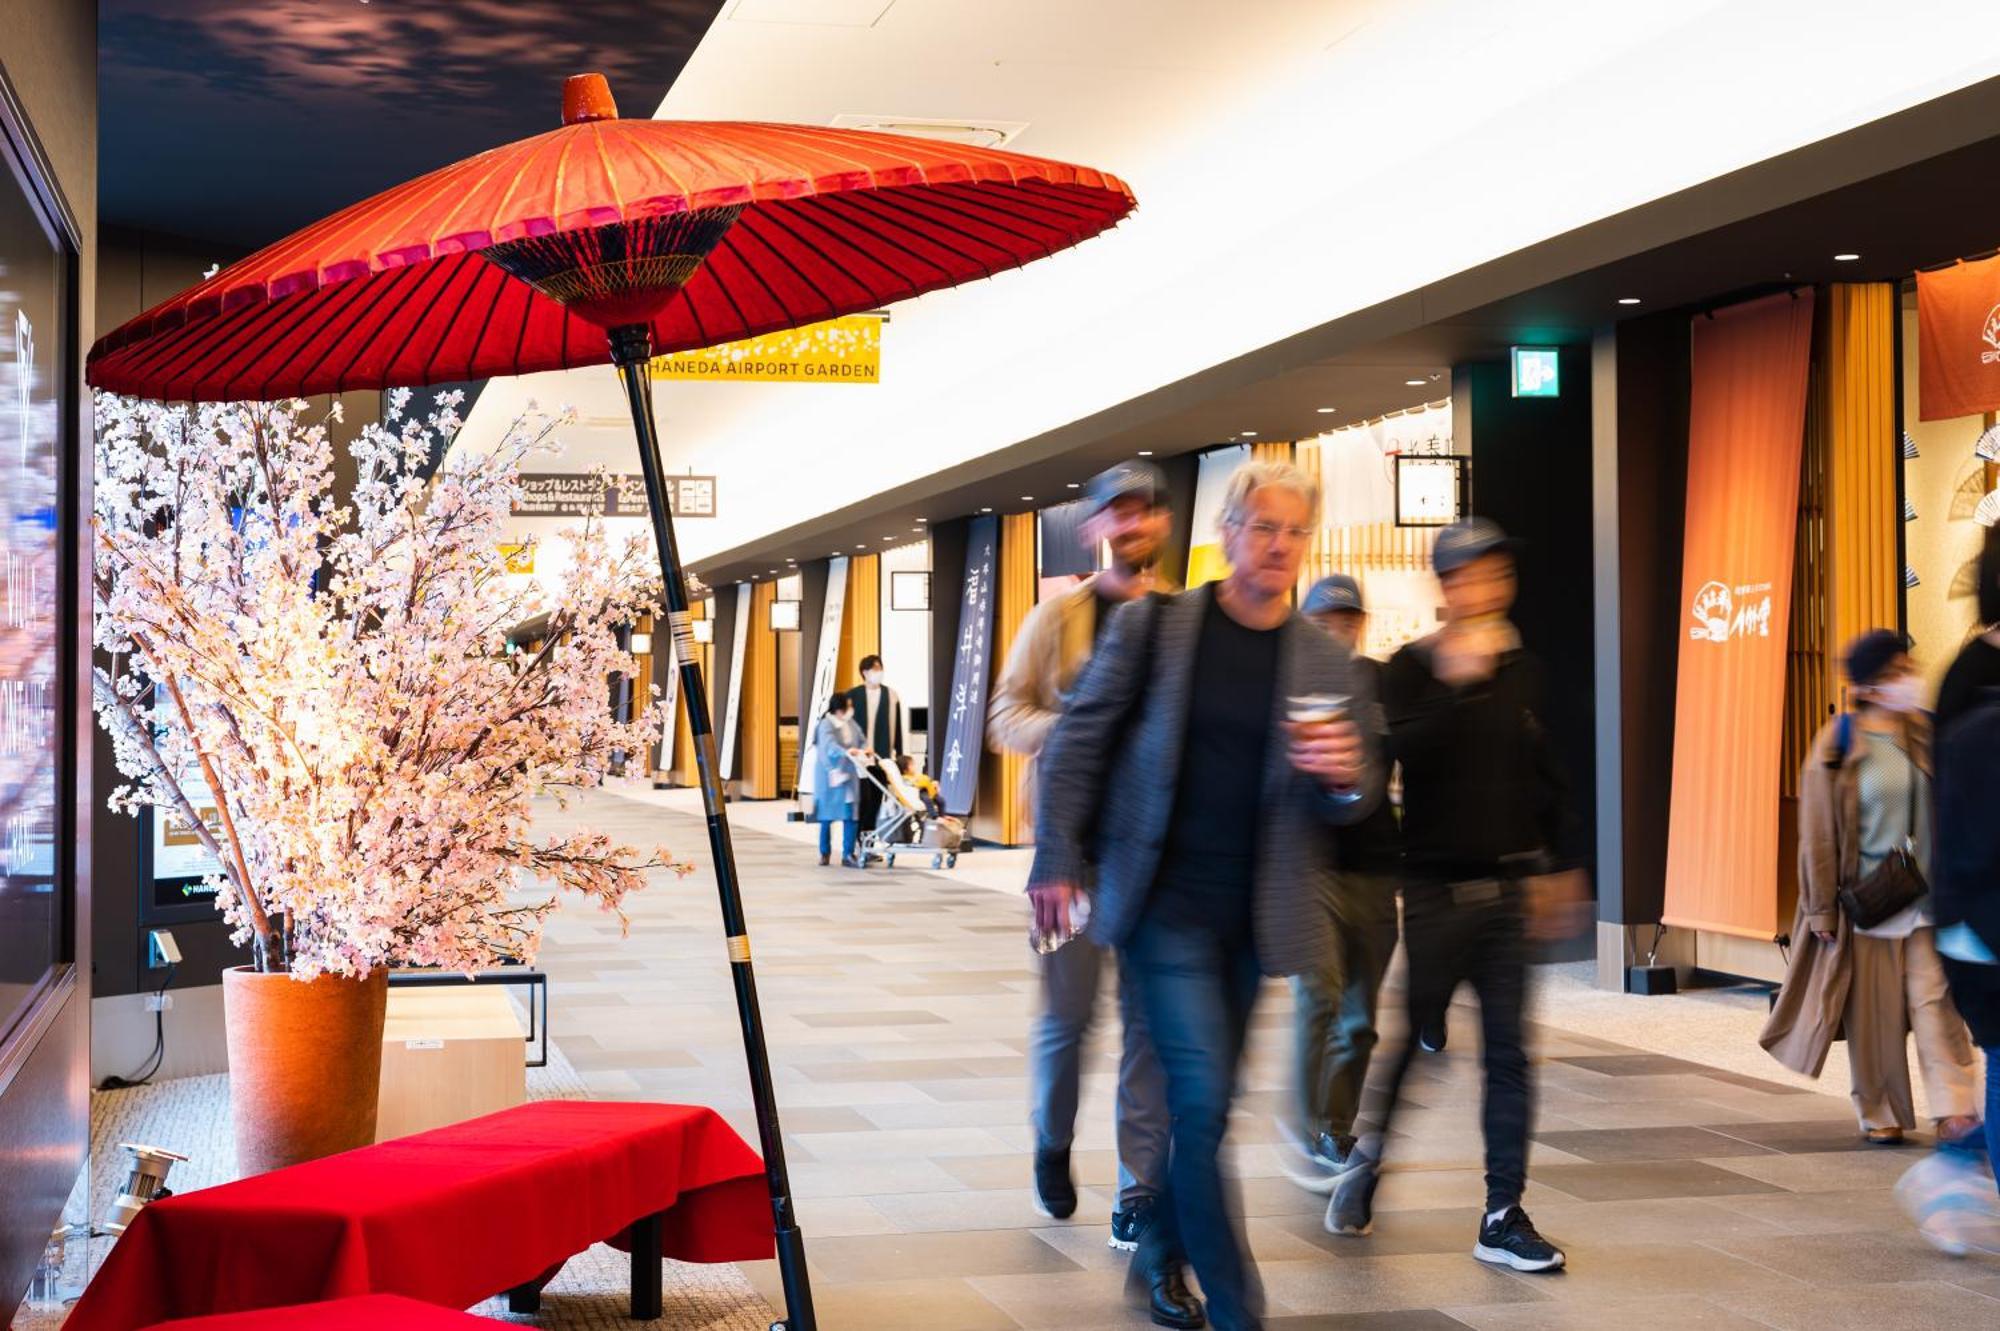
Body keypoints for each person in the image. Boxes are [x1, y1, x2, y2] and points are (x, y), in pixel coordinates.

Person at [1031, 460, 1382, 1331]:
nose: (1279, 545)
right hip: (1162, 905)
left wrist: (1344, 778)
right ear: (1226, 534)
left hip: (1253, 916)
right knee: (1195, 1094)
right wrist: (1057, 857)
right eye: (1263, 526)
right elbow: (1078, 741)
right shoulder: (1158, 626)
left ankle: (1156, 1253)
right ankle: (1237, 1308)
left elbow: (1355, 797)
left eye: (1294, 531)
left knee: (1209, 1108)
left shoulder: (1321, 656)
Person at [1332, 517, 1583, 1275]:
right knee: (1414, 1041)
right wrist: (1457, 684)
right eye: (1476, 573)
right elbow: (1393, 754)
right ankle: (1368, 1160)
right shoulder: (1406, 669)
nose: (1493, 585)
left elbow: (1544, 773)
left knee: (1509, 1055)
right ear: (1447, 584)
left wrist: (1561, 863)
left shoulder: (1523, 669)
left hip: (1508, 892)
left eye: (1501, 572)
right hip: (1435, 891)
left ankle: (1502, 1212)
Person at [988, 460, 1175, 1259]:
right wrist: (1072, 730)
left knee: (1148, 1028)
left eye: (1144, 511)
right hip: (1067, 856)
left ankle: (1138, 1191)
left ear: (1162, 523)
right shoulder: (1057, 616)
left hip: (1154, 858)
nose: (1131, 524)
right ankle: (1051, 1137)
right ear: (1096, 527)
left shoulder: (1181, 619)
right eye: (1116, 513)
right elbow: (1006, 712)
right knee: (1068, 1020)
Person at [1762, 630, 1981, 1146]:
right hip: (1871, 900)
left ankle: (1953, 1108)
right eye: (1897, 672)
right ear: (1869, 685)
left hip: (1927, 895)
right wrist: (1820, 909)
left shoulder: (1925, 731)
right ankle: (1879, 1108)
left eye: (1909, 668)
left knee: (1937, 1004)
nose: (1910, 679)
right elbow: (1818, 834)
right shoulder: (1838, 744)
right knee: (1875, 1017)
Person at [1283, 575, 1403, 1191]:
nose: (1337, 630)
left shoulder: (1380, 683)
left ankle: (1336, 1119)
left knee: (1360, 1018)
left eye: (1347, 620)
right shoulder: (1285, 686)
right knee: (1319, 997)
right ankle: (1318, 1125)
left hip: (1375, 866)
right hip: (1310, 868)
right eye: (1324, 621)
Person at [1917, 527, 2000, 1247]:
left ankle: (1958, 1158)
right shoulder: (1973, 690)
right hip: (1980, 916)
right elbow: (1967, 834)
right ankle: (1959, 1158)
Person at [843, 654, 902, 841]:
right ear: (864, 672)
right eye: (874, 669)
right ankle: (857, 839)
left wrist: (899, 755)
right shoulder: (852, 695)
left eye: (880, 668)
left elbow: (897, 728)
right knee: (862, 800)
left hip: (881, 757)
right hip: (858, 759)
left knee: (876, 799)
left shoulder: (891, 695)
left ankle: (868, 839)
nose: (878, 672)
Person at [810, 693, 865, 868]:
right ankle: (824, 852)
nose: (851, 709)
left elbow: (861, 739)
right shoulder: (826, 724)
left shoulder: (850, 723)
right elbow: (829, 746)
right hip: (830, 776)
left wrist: (865, 750)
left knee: (851, 815)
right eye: (848, 706)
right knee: (826, 816)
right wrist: (847, 752)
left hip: (848, 776)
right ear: (839, 709)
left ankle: (848, 853)